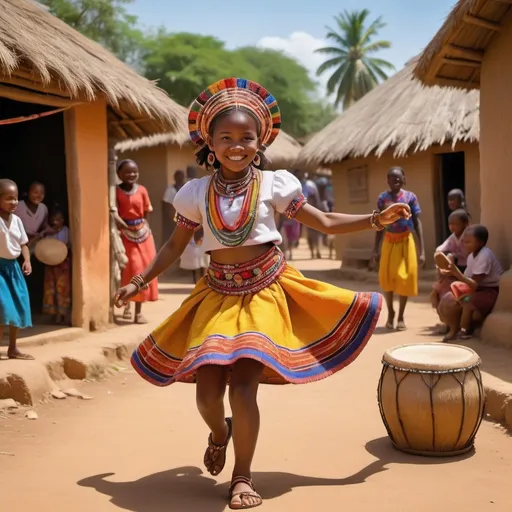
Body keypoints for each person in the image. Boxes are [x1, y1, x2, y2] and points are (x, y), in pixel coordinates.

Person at [114, 77, 410, 510]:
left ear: (261, 141)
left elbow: (324, 223)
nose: (237, 146)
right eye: (226, 138)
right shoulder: (194, 193)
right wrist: (139, 281)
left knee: (244, 387)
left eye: (247, 138)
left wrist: (375, 219)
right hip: (216, 295)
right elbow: (175, 247)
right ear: (209, 144)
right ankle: (220, 433)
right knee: (208, 393)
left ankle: (242, 474)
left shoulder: (274, 185)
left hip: (267, 291)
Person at [372, 167, 425, 331]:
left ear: (404, 179)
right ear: (387, 180)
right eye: (392, 178)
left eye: (398, 178)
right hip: (389, 241)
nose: (395, 181)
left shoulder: (410, 197)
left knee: (405, 278)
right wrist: (376, 248)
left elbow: (417, 222)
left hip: (405, 241)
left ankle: (401, 316)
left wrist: (422, 249)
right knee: (387, 278)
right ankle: (391, 313)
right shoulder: (383, 199)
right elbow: (379, 224)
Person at [438, 224, 503, 341]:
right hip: (477, 290)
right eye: (464, 242)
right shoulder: (471, 256)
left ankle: (464, 330)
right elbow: (466, 279)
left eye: (468, 242)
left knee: (467, 304)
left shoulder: (485, 256)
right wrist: (451, 273)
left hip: (489, 291)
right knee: (449, 298)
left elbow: (473, 284)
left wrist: (456, 272)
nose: (464, 245)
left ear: (480, 243)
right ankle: (453, 327)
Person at [116, 160, 158, 324]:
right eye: (127, 172)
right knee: (129, 269)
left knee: (143, 271)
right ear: (119, 174)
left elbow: (147, 211)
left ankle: (138, 312)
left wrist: (142, 228)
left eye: (134, 172)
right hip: (124, 235)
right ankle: (126, 304)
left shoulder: (142, 190)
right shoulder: (115, 192)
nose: (131, 175)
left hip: (143, 235)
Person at [0, 179, 33, 360]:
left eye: (15, 198)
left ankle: (13, 348)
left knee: (19, 305)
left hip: (13, 269)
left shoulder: (17, 221)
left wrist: (26, 260)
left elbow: (23, 244)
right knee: (3, 307)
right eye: (8, 198)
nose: (13, 202)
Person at [430, 209, 470, 332]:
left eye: (455, 224)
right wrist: (447, 256)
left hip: (467, 271)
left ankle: (456, 324)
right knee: (438, 292)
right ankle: (447, 322)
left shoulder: (469, 236)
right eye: (450, 224)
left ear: (465, 224)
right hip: (456, 269)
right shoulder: (453, 237)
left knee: (457, 296)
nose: (452, 227)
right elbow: (440, 249)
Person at [42, 207, 71, 325]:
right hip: (50, 264)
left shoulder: (66, 231)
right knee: (51, 289)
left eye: (58, 219)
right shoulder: (48, 232)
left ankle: (63, 314)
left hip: (63, 264)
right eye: (54, 219)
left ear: (63, 220)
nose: (55, 222)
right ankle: (55, 314)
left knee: (63, 289)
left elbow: (68, 245)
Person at [16, 181, 50, 248]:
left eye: (42, 193)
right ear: (27, 192)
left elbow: (44, 225)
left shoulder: (44, 208)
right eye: (35, 192)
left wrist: (55, 229)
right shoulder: (17, 206)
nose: (38, 196)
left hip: (33, 242)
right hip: (17, 242)